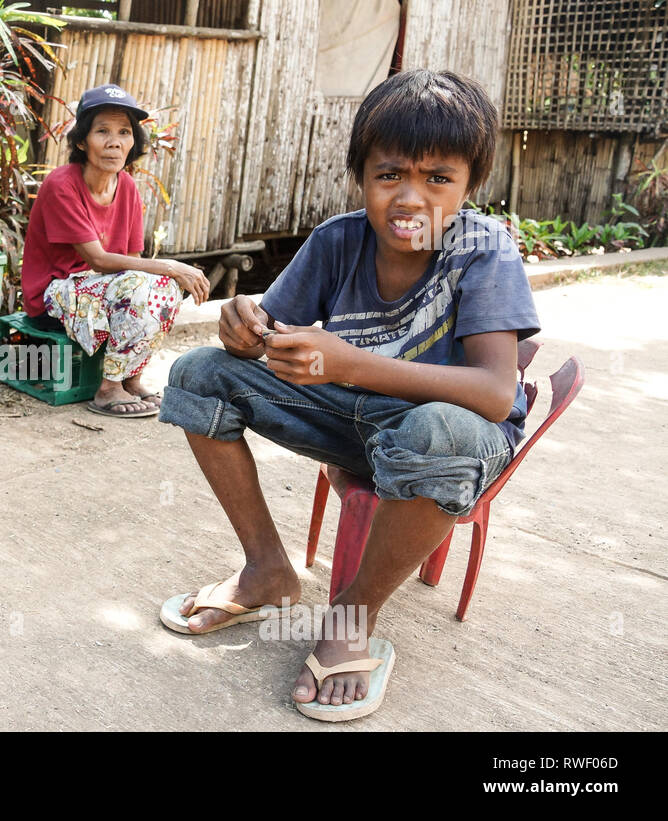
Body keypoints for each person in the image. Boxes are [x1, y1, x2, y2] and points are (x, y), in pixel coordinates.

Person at [156, 70, 540, 720]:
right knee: (200, 375)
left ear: (471, 185)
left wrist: (351, 363)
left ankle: (354, 614)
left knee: (437, 432)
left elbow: (496, 393)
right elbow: (274, 334)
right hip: (352, 419)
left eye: (438, 179)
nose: (410, 198)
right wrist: (247, 332)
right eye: (390, 175)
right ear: (361, 175)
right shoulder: (339, 240)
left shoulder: (484, 252)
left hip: (451, 435)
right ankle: (267, 570)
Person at [20, 83, 210, 418]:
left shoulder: (128, 188)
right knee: (151, 281)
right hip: (53, 292)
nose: (114, 142)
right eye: (102, 131)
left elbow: (133, 263)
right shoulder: (62, 185)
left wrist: (166, 276)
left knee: (163, 287)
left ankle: (131, 379)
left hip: (99, 288)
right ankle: (108, 389)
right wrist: (170, 265)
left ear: (133, 142)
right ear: (82, 141)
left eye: (124, 132)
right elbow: (98, 259)